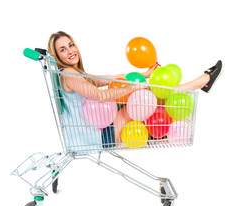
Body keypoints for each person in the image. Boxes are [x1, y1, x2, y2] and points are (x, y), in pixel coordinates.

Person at [47, 31, 222, 151]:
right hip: (95, 139)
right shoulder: (69, 74)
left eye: (71, 45)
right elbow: (100, 94)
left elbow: (112, 77)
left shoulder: (75, 73)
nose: (70, 51)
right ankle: (202, 81)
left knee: (145, 96)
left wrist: (144, 75)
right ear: (57, 56)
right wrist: (134, 87)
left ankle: (201, 83)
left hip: (97, 131)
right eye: (63, 49)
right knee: (146, 98)